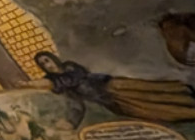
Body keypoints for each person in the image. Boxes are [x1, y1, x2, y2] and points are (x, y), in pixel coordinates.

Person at [33, 51, 195, 124]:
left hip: (113, 86)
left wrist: (52, 83)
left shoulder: (69, 67)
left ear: (53, 59)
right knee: (156, 112)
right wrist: (71, 123)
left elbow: (76, 77)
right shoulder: (63, 88)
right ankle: (190, 113)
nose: (47, 65)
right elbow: (76, 104)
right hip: (111, 102)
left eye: (46, 60)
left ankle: (187, 93)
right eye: (42, 64)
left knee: (154, 92)